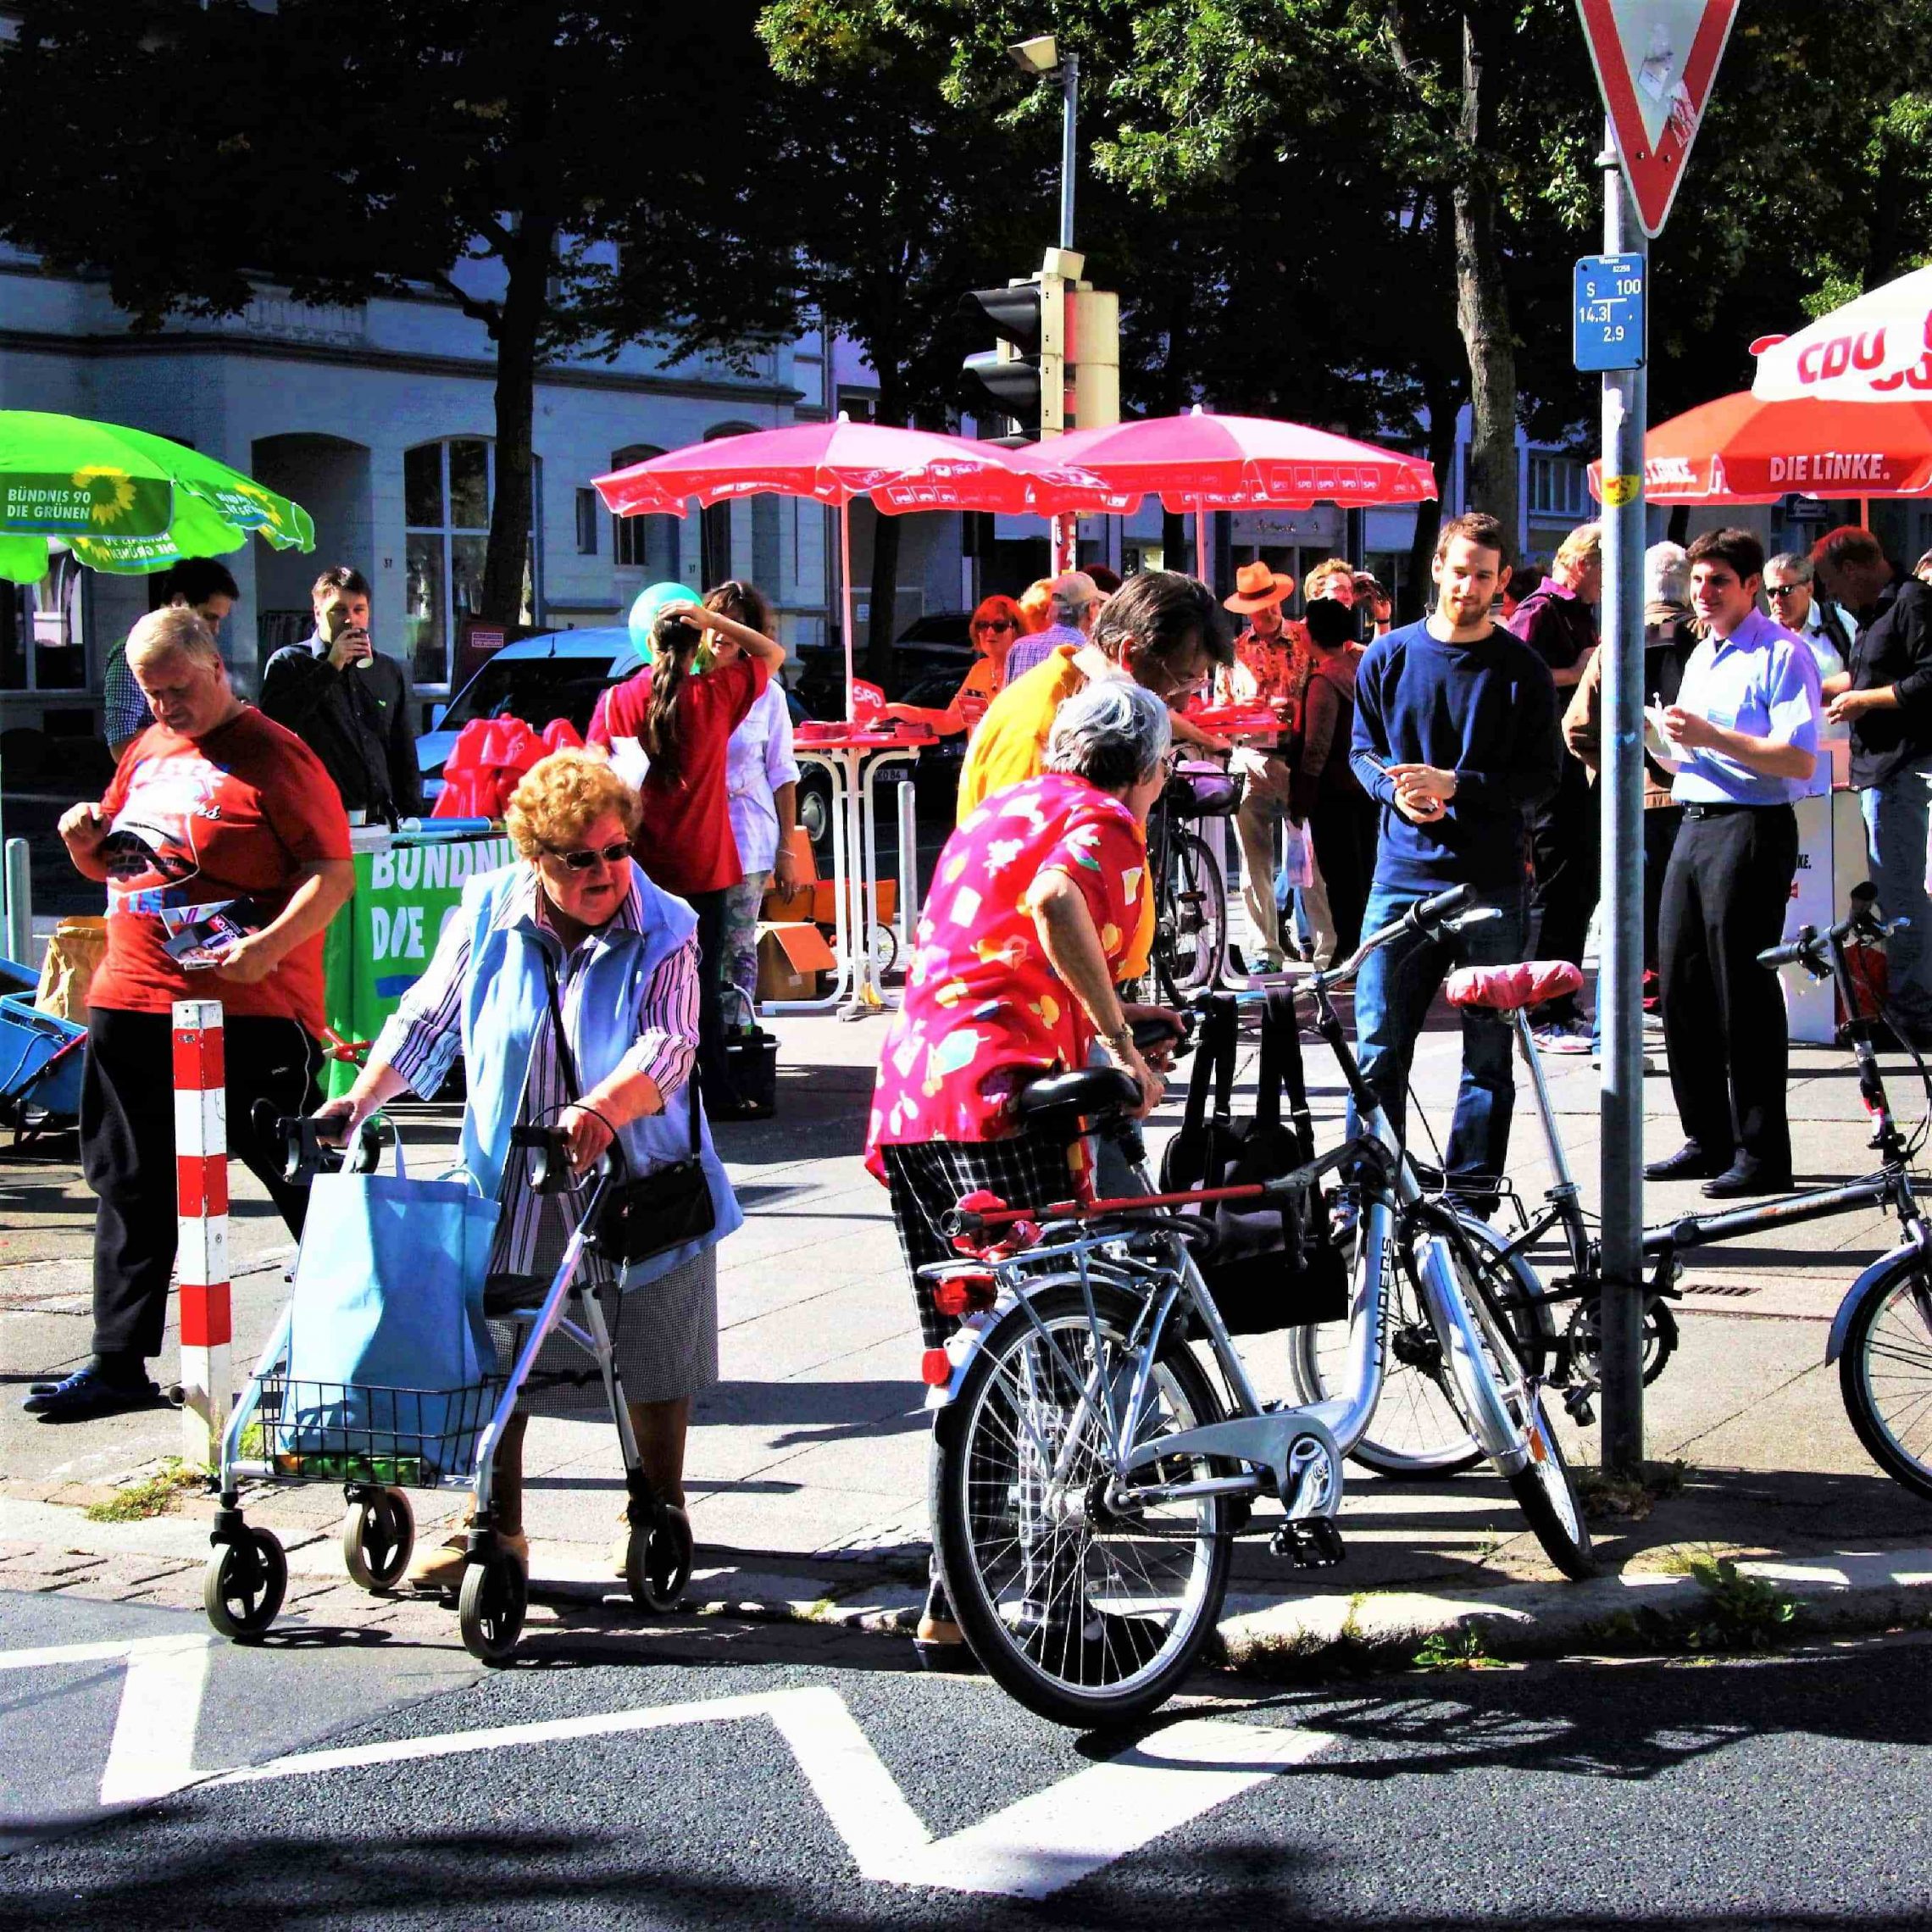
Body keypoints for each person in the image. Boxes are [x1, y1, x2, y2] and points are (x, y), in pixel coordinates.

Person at [317, 750, 738, 1589]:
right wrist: (357, 1102)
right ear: (535, 857)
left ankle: (658, 1509)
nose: (606, 871)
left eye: (617, 851)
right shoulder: (486, 912)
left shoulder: (668, 926)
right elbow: (428, 1020)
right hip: (512, 1173)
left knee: (654, 1341)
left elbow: (671, 1044)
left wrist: (602, 1111)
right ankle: (493, 1524)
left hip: (637, 1177)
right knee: (490, 1345)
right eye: (581, 857)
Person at [868, 680, 1174, 1664]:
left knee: (965, 1360)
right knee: (1047, 1359)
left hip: (917, 1099)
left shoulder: (1002, 807)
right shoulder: (1106, 822)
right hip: (1004, 1105)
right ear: (1150, 770)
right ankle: (1049, 1600)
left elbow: (995, 946)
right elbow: (1054, 902)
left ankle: (954, 1601)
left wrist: (1097, 1020)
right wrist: (1123, 1045)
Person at [25, 608, 355, 1422]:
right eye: (150, 693)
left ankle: (366, 1340)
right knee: (128, 1183)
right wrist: (81, 848)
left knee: (295, 1176)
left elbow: (332, 872)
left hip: (247, 1008)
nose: (165, 706)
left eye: (177, 689)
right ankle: (117, 1362)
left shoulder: (277, 754)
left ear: (215, 667)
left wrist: (271, 946)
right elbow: (124, 855)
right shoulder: (146, 746)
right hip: (131, 996)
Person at [1348, 513, 1558, 1203]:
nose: (1468, 587)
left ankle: (1471, 1197)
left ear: (1502, 582)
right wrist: (1393, 792)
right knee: (1378, 1047)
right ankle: (1372, 1192)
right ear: (1436, 568)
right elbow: (1363, 751)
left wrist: (1456, 785)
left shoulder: (1520, 669)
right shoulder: (1389, 656)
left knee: (1487, 1055)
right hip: (1399, 879)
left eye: (1484, 576)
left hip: (1489, 885)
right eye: (1459, 570)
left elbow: (1542, 780)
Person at [1647, 528, 1821, 1197]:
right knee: (1683, 984)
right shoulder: (1702, 654)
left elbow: (1797, 758)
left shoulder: (1782, 653)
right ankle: (1708, 1136)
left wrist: (1714, 737)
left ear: (1752, 586)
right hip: (1692, 817)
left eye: (1719, 580)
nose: (1705, 593)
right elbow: (1695, 752)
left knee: (1740, 990)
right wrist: (1667, 741)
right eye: (1698, 580)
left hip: (1751, 826)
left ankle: (1762, 1151)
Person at [588, 593, 786, 1115]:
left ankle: (641, 1091)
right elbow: (771, 655)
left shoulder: (617, 701)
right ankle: (714, 1089)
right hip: (707, 862)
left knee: (638, 980)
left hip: (642, 864)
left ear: (648, 644)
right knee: (702, 983)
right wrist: (713, 619)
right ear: (697, 643)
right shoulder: (716, 695)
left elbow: (593, 771)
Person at [1813, 525, 1932, 1041]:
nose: (1832, 596)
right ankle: (1911, 1007)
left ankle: (1915, 1014)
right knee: (1895, 894)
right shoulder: (1874, 613)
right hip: (1880, 769)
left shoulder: (1912, 602)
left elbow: (1928, 680)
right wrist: (1826, 690)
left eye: (1832, 584)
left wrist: (1864, 701)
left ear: (1855, 568)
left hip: (1901, 768)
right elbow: (1870, 676)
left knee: (1902, 897)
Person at [1507, 523, 1602, 1052]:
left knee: (1578, 888)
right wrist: (1576, 671)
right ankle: (1543, 1009)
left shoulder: (1577, 611)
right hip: (1551, 775)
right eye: (1607, 570)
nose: (1609, 583)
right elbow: (1513, 677)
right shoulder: (1541, 608)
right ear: (1585, 562)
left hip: (1577, 772)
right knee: (1555, 889)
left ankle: (1560, 1001)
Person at [708, 580, 802, 1034]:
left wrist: (788, 850)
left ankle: (738, 1030)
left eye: (737, 625)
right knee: (697, 940)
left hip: (748, 832)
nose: (724, 633)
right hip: (698, 832)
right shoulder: (687, 683)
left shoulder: (769, 694)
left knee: (738, 939)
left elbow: (783, 774)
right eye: (717, 619)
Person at [259, 566, 421, 824]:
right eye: (339, 610)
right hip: (318, 819)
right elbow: (274, 729)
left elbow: (402, 747)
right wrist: (331, 667)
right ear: (318, 613)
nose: (351, 619)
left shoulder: (386, 670)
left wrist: (412, 813)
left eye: (359, 610)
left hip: (380, 819)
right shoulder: (289, 663)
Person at [1213, 559, 1312, 970]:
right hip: (1251, 756)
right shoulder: (1234, 654)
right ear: (1247, 610)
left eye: (1272, 602)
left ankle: (1322, 946)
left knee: (1310, 858)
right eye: (1259, 605)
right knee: (1254, 863)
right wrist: (1245, 711)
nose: (1268, 611)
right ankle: (1265, 951)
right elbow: (1221, 709)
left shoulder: (1305, 639)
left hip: (1297, 757)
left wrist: (1295, 710)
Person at [1291, 597, 1377, 963]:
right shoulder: (1361, 667)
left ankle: (1349, 952)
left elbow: (1316, 748)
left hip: (1334, 792)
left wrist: (1301, 799)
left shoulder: (1324, 680)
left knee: (1342, 879)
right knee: (1364, 873)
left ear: (1313, 634)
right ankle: (1365, 949)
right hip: (1367, 786)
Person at [101, 558, 240, 759]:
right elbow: (122, 745)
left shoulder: (202, 654)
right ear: (179, 602)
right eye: (209, 616)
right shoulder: (131, 655)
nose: (216, 629)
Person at [1763, 551, 1852, 786]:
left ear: (1809, 588)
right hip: (1786, 761)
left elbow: (1865, 674)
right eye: (1771, 592)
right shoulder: (1764, 636)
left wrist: (1812, 692)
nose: (1777, 600)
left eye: (1785, 591)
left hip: (1840, 756)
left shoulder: (1838, 623)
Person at [886, 593, 1024, 736]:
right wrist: (896, 710)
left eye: (999, 626)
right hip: (982, 757)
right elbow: (950, 721)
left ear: (1016, 630)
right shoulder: (980, 670)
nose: (989, 632)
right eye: (982, 625)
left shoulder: (1025, 669)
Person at [1002, 571, 1103, 683]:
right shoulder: (1092, 654)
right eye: (1099, 605)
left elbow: (1005, 699)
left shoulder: (1019, 648)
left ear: (1052, 610)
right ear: (1091, 609)